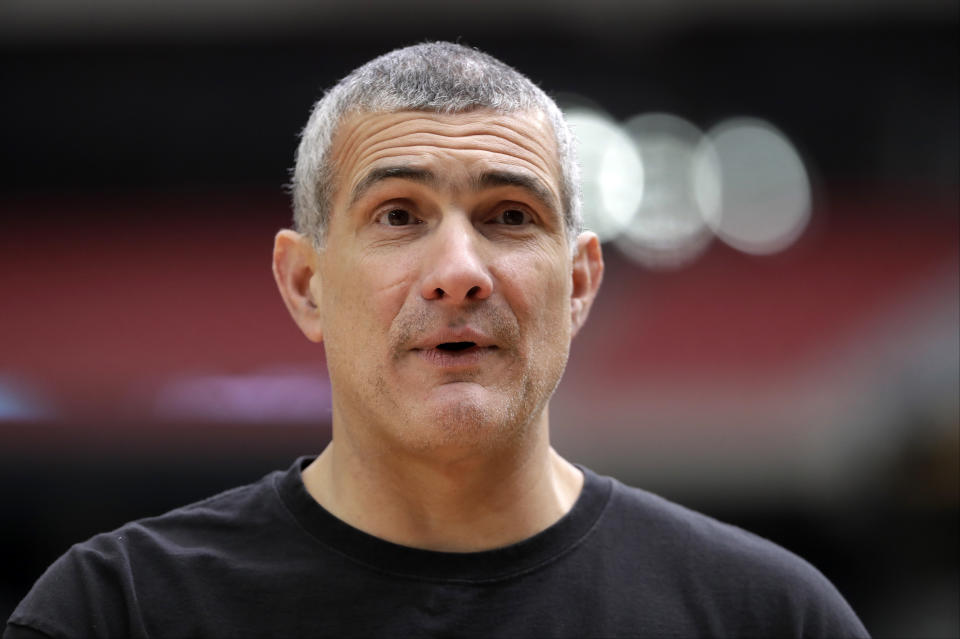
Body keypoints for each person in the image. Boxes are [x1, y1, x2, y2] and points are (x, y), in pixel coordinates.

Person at [5, 42, 868, 638]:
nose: (459, 271)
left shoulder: (769, 615)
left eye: (508, 216)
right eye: (397, 214)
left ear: (578, 284)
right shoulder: (118, 610)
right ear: (305, 284)